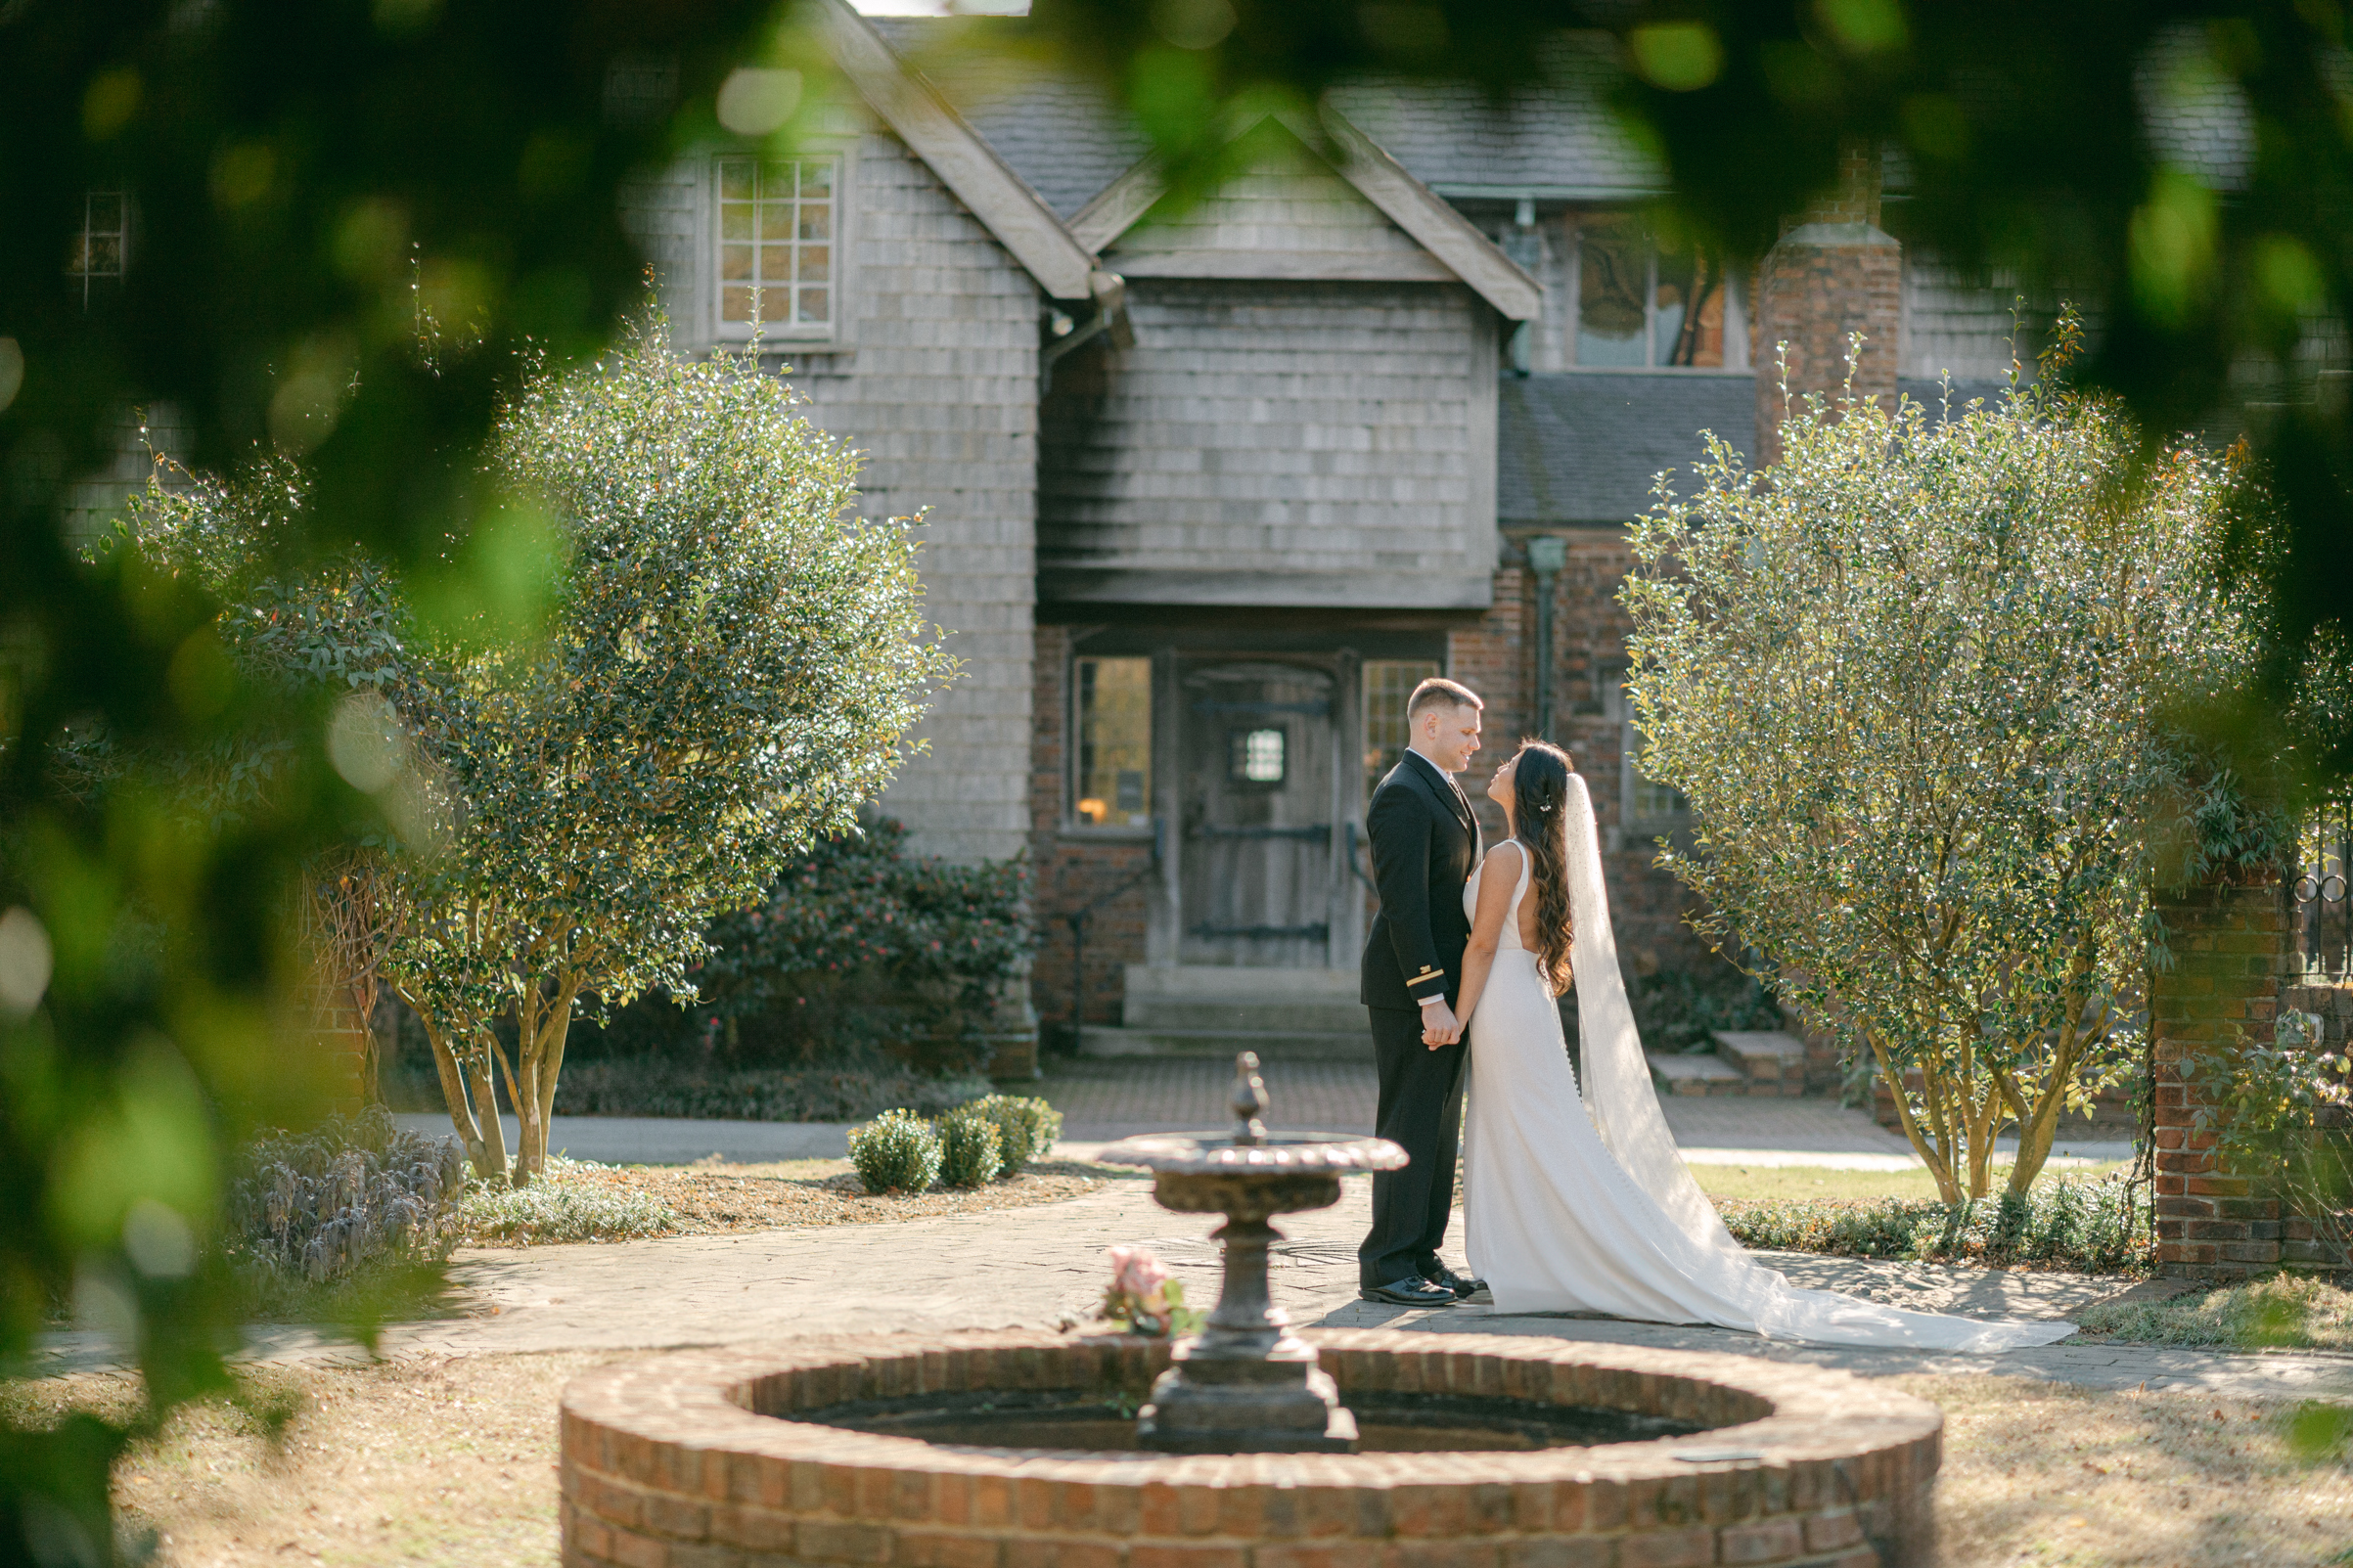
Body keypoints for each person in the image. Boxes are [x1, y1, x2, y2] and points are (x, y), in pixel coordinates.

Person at [1450, 739, 2076, 1351]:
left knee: (1530, 1127)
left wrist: (1453, 1016)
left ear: (1525, 787)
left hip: (1503, 1001)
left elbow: (1481, 945)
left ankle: (1554, 1258)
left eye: (1509, 760)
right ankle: (1532, 1256)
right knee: (1529, 1127)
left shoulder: (1509, 855)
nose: (1497, 762)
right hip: (1519, 1000)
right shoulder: (1537, 855)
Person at [1356, 677, 1490, 1307]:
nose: (1476, 742)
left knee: (1439, 1128)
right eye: (1467, 731)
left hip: (1445, 992)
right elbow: (1405, 909)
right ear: (1430, 724)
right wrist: (1431, 997)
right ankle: (1386, 1263)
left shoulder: (1442, 786)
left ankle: (1421, 1254)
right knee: (1409, 1124)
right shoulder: (1403, 795)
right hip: (1412, 993)